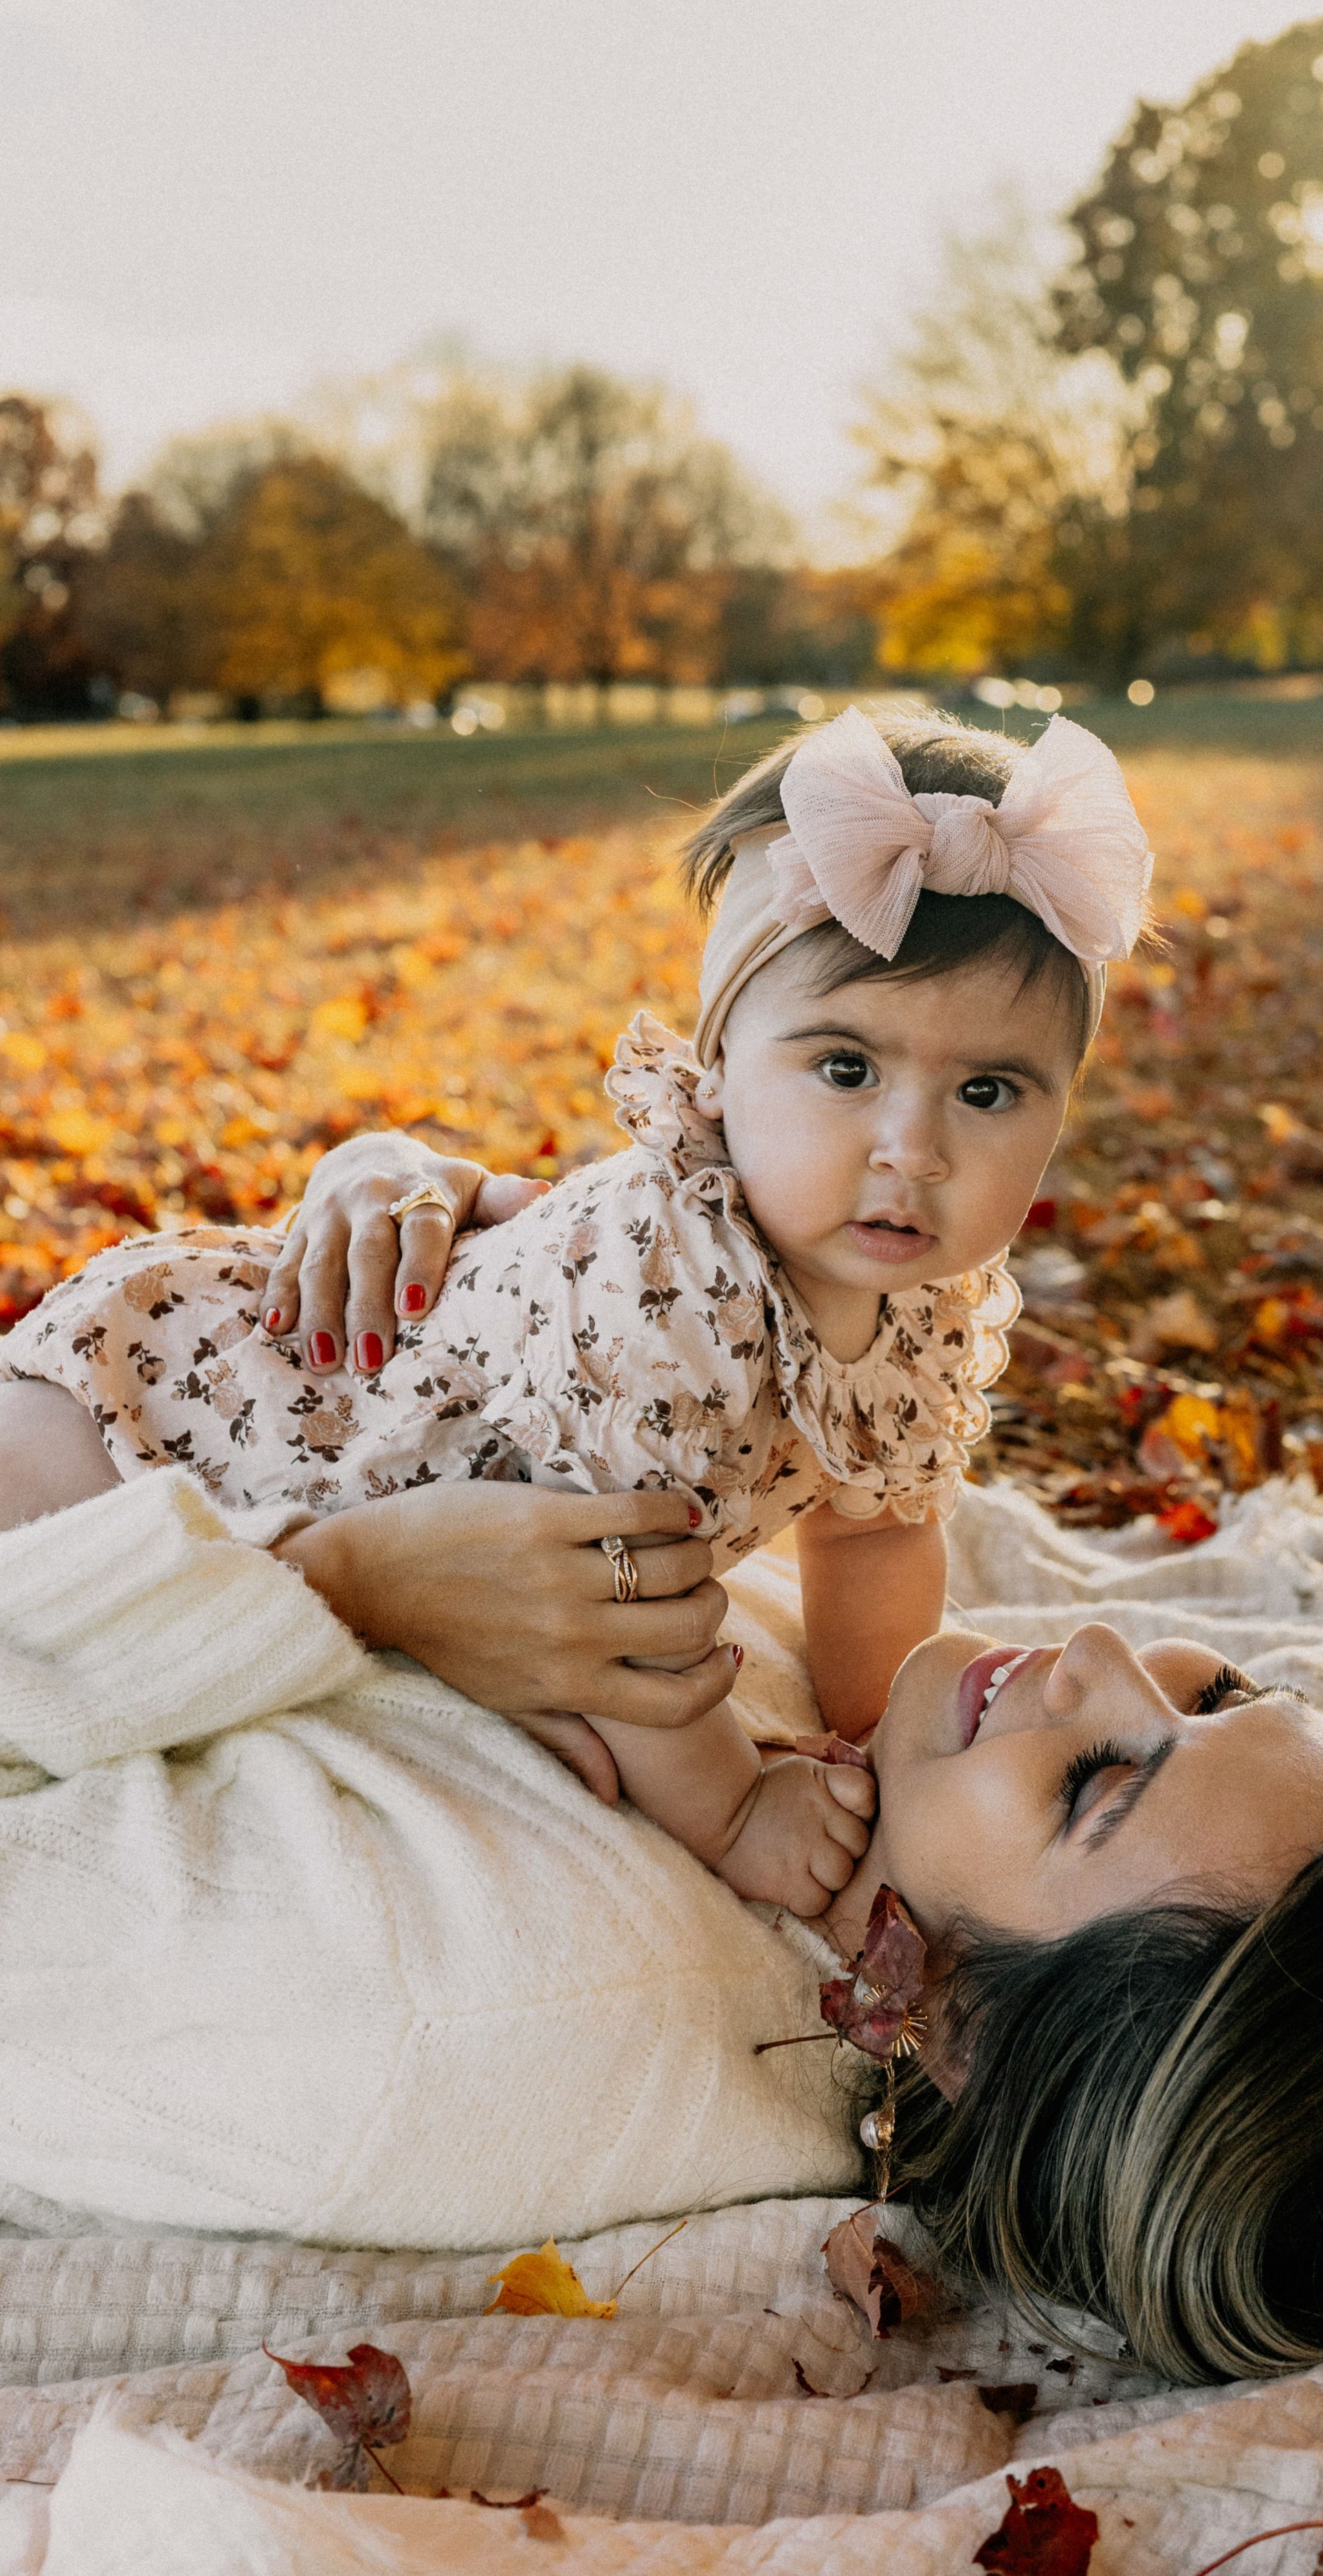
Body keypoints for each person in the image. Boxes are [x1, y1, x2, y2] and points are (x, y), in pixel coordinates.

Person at [0, 1462, 1323, 2385]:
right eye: (1220, 1696)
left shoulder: (454, 1993)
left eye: (1098, 1782)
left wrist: (347, 1578)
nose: (1103, 1647)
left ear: (966, 2033)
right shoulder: (871, 1791)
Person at [0, 704, 1152, 1916]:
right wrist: (735, 1806)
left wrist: (875, 1734)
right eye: (846, 1069)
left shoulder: (923, 1307)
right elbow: (614, 1577)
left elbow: (875, 1531)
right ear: (719, 1070)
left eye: (986, 1090)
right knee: (39, 1614)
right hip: (189, 1419)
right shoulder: (673, 1271)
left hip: (331, 1529)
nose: (911, 1151)